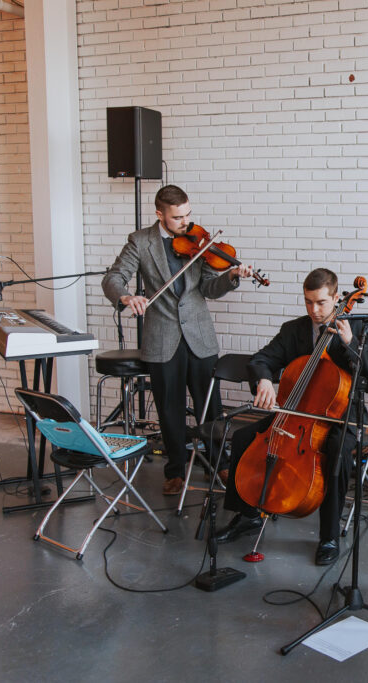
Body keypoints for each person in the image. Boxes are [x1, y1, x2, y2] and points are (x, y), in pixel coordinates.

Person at [213, 268, 368, 566]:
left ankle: (328, 535)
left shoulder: (360, 330)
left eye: (320, 303)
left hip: (341, 415)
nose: (314, 311)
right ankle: (248, 515)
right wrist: (264, 380)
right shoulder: (294, 330)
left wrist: (350, 344)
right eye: (308, 302)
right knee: (243, 437)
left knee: (338, 453)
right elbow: (261, 359)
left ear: (335, 298)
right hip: (296, 412)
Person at [102, 185, 255, 496]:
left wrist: (231, 276)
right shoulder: (140, 241)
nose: (186, 222)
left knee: (209, 405)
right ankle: (175, 470)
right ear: (160, 214)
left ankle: (219, 462)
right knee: (169, 407)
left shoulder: (200, 242)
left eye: (188, 214)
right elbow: (114, 278)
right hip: (162, 336)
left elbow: (209, 289)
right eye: (177, 217)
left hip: (199, 336)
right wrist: (127, 296)